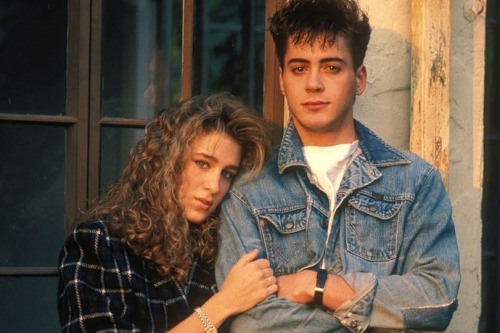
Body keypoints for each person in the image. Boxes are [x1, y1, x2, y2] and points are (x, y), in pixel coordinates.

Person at [215, 0, 461, 332]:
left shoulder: (415, 182)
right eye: (299, 68)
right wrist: (375, 312)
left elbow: (436, 298)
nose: (313, 83)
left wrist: (319, 286)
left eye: (331, 67)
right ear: (282, 81)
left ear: (359, 79)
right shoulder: (249, 191)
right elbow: (246, 321)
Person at [58, 93, 277, 332]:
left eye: (227, 173)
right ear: (167, 161)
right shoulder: (100, 244)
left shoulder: (220, 244)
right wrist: (223, 304)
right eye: (203, 164)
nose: (214, 186)